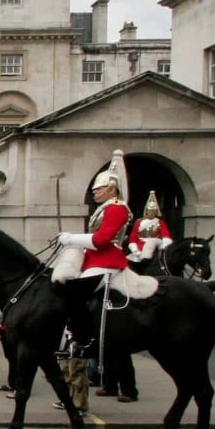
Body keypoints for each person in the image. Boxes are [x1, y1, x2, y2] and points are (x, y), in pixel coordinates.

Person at [54, 149, 138, 402]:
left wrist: (71, 238)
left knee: (76, 293)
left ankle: (84, 335)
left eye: (98, 189)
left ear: (112, 189)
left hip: (106, 261)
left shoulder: (117, 209)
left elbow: (102, 240)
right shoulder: (105, 208)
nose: (94, 192)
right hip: (95, 259)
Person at [127, 190, 173, 265]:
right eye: (150, 211)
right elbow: (133, 238)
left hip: (155, 245)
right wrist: (135, 250)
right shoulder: (138, 222)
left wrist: (164, 246)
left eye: (153, 211)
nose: (151, 213)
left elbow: (166, 236)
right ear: (146, 211)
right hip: (139, 248)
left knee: (151, 242)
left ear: (156, 212)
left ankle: (145, 259)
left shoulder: (160, 222)